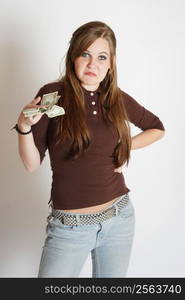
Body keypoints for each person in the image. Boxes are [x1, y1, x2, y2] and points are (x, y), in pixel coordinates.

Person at [13, 21, 165, 278]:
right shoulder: (53, 95)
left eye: (101, 57)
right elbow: (31, 164)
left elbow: (157, 128)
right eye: (85, 54)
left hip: (119, 218)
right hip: (69, 229)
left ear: (110, 64)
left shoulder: (115, 98)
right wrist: (24, 126)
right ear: (74, 57)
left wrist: (126, 145)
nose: (93, 64)